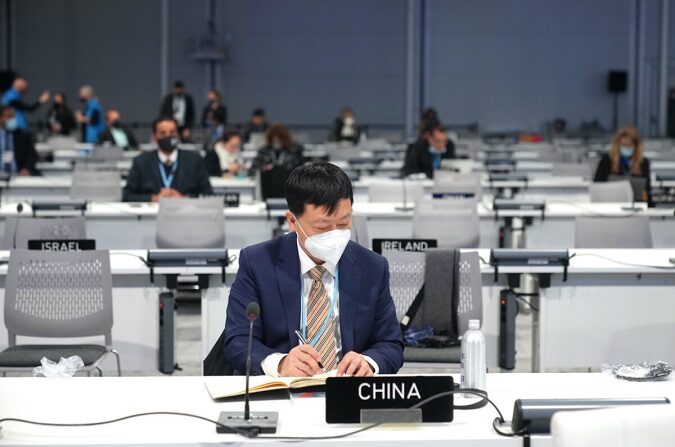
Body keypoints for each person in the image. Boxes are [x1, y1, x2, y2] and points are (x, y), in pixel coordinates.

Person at [223, 161, 403, 376]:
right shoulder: (258, 262)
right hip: (282, 389)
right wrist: (280, 364)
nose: (335, 234)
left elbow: (391, 343)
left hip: (347, 391)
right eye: (323, 227)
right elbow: (238, 340)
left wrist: (369, 362)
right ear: (292, 221)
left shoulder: (373, 266)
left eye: (344, 223)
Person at [123, 117, 213, 202]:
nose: (168, 136)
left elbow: (208, 194)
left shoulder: (194, 160)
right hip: (151, 214)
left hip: (186, 213)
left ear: (178, 135)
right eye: (163, 133)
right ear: (155, 137)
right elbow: (127, 195)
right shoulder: (141, 162)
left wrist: (185, 199)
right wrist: (153, 198)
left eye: (172, 132)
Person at [594, 126, 651, 203]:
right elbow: (597, 184)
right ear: (618, 145)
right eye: (624, 145)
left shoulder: (643, 163)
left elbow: (647, 189)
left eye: (630, 145)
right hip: (610, 202)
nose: (627, 148)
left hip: (636, 204)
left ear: (636, 146)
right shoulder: (607, 160)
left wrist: (645, 196)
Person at [249, 124, 305, 199]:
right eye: (274, 140)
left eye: (279, 140)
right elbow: (252, 170)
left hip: (289, 185)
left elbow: (301, 170)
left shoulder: (294, 150)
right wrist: (264, 168)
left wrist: (282, 168)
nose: (276, 142)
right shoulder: (264, 151)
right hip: (268, 185)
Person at [0, 105, 40, 176]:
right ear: (1, 118)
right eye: (9, 117)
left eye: (14, 117)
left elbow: (33, 156)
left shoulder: (23, 135)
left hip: (18, 175)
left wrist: (27, 169)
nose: (13, 120)